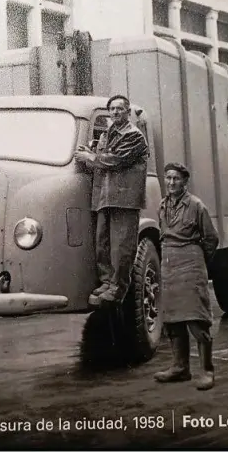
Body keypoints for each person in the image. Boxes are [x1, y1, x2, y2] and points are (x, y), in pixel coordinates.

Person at [74, 95, 149, 307]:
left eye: (120, 109)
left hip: (124, 199)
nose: (115, 113)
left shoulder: (133, 135)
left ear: (128, 112)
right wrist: (90, 155)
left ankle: (117, 288)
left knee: (121, 248)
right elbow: (99, 162)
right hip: (105, 198)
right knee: (103, 244)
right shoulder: (107, 135)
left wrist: (90, 157)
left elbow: (115, 160)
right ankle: (107, 282)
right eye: (112, 109)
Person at [153, 162, 220, 391]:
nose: (171, 183)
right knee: (172, 321)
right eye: (168, 178)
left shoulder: (195, 205)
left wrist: (197, 261)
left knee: (196, 320)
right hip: (169, 266)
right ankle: (180, 368)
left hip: (190, 265)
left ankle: (207, 371)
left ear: (185, 181)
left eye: (176, 179)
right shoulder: (162, 205)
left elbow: (211, 239)